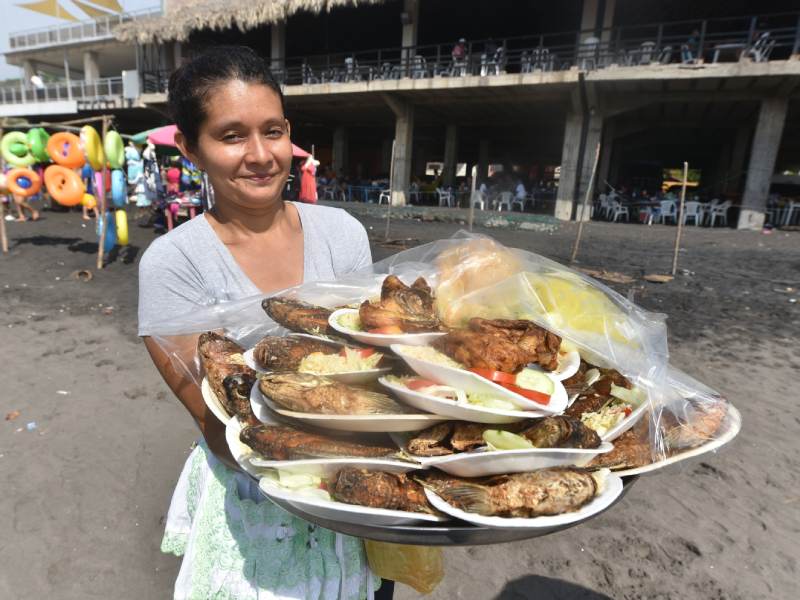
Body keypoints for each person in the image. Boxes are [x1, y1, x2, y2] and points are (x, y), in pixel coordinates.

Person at [137, 46, 391, 600]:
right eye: (231, 136)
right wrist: (346, 464)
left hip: (366, 502)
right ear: (190, 148)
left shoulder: (342, 233)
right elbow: (221, 426)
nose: (261, 155)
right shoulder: (174, 263)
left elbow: (374, 360)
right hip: (261, 505)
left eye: (272, 131)